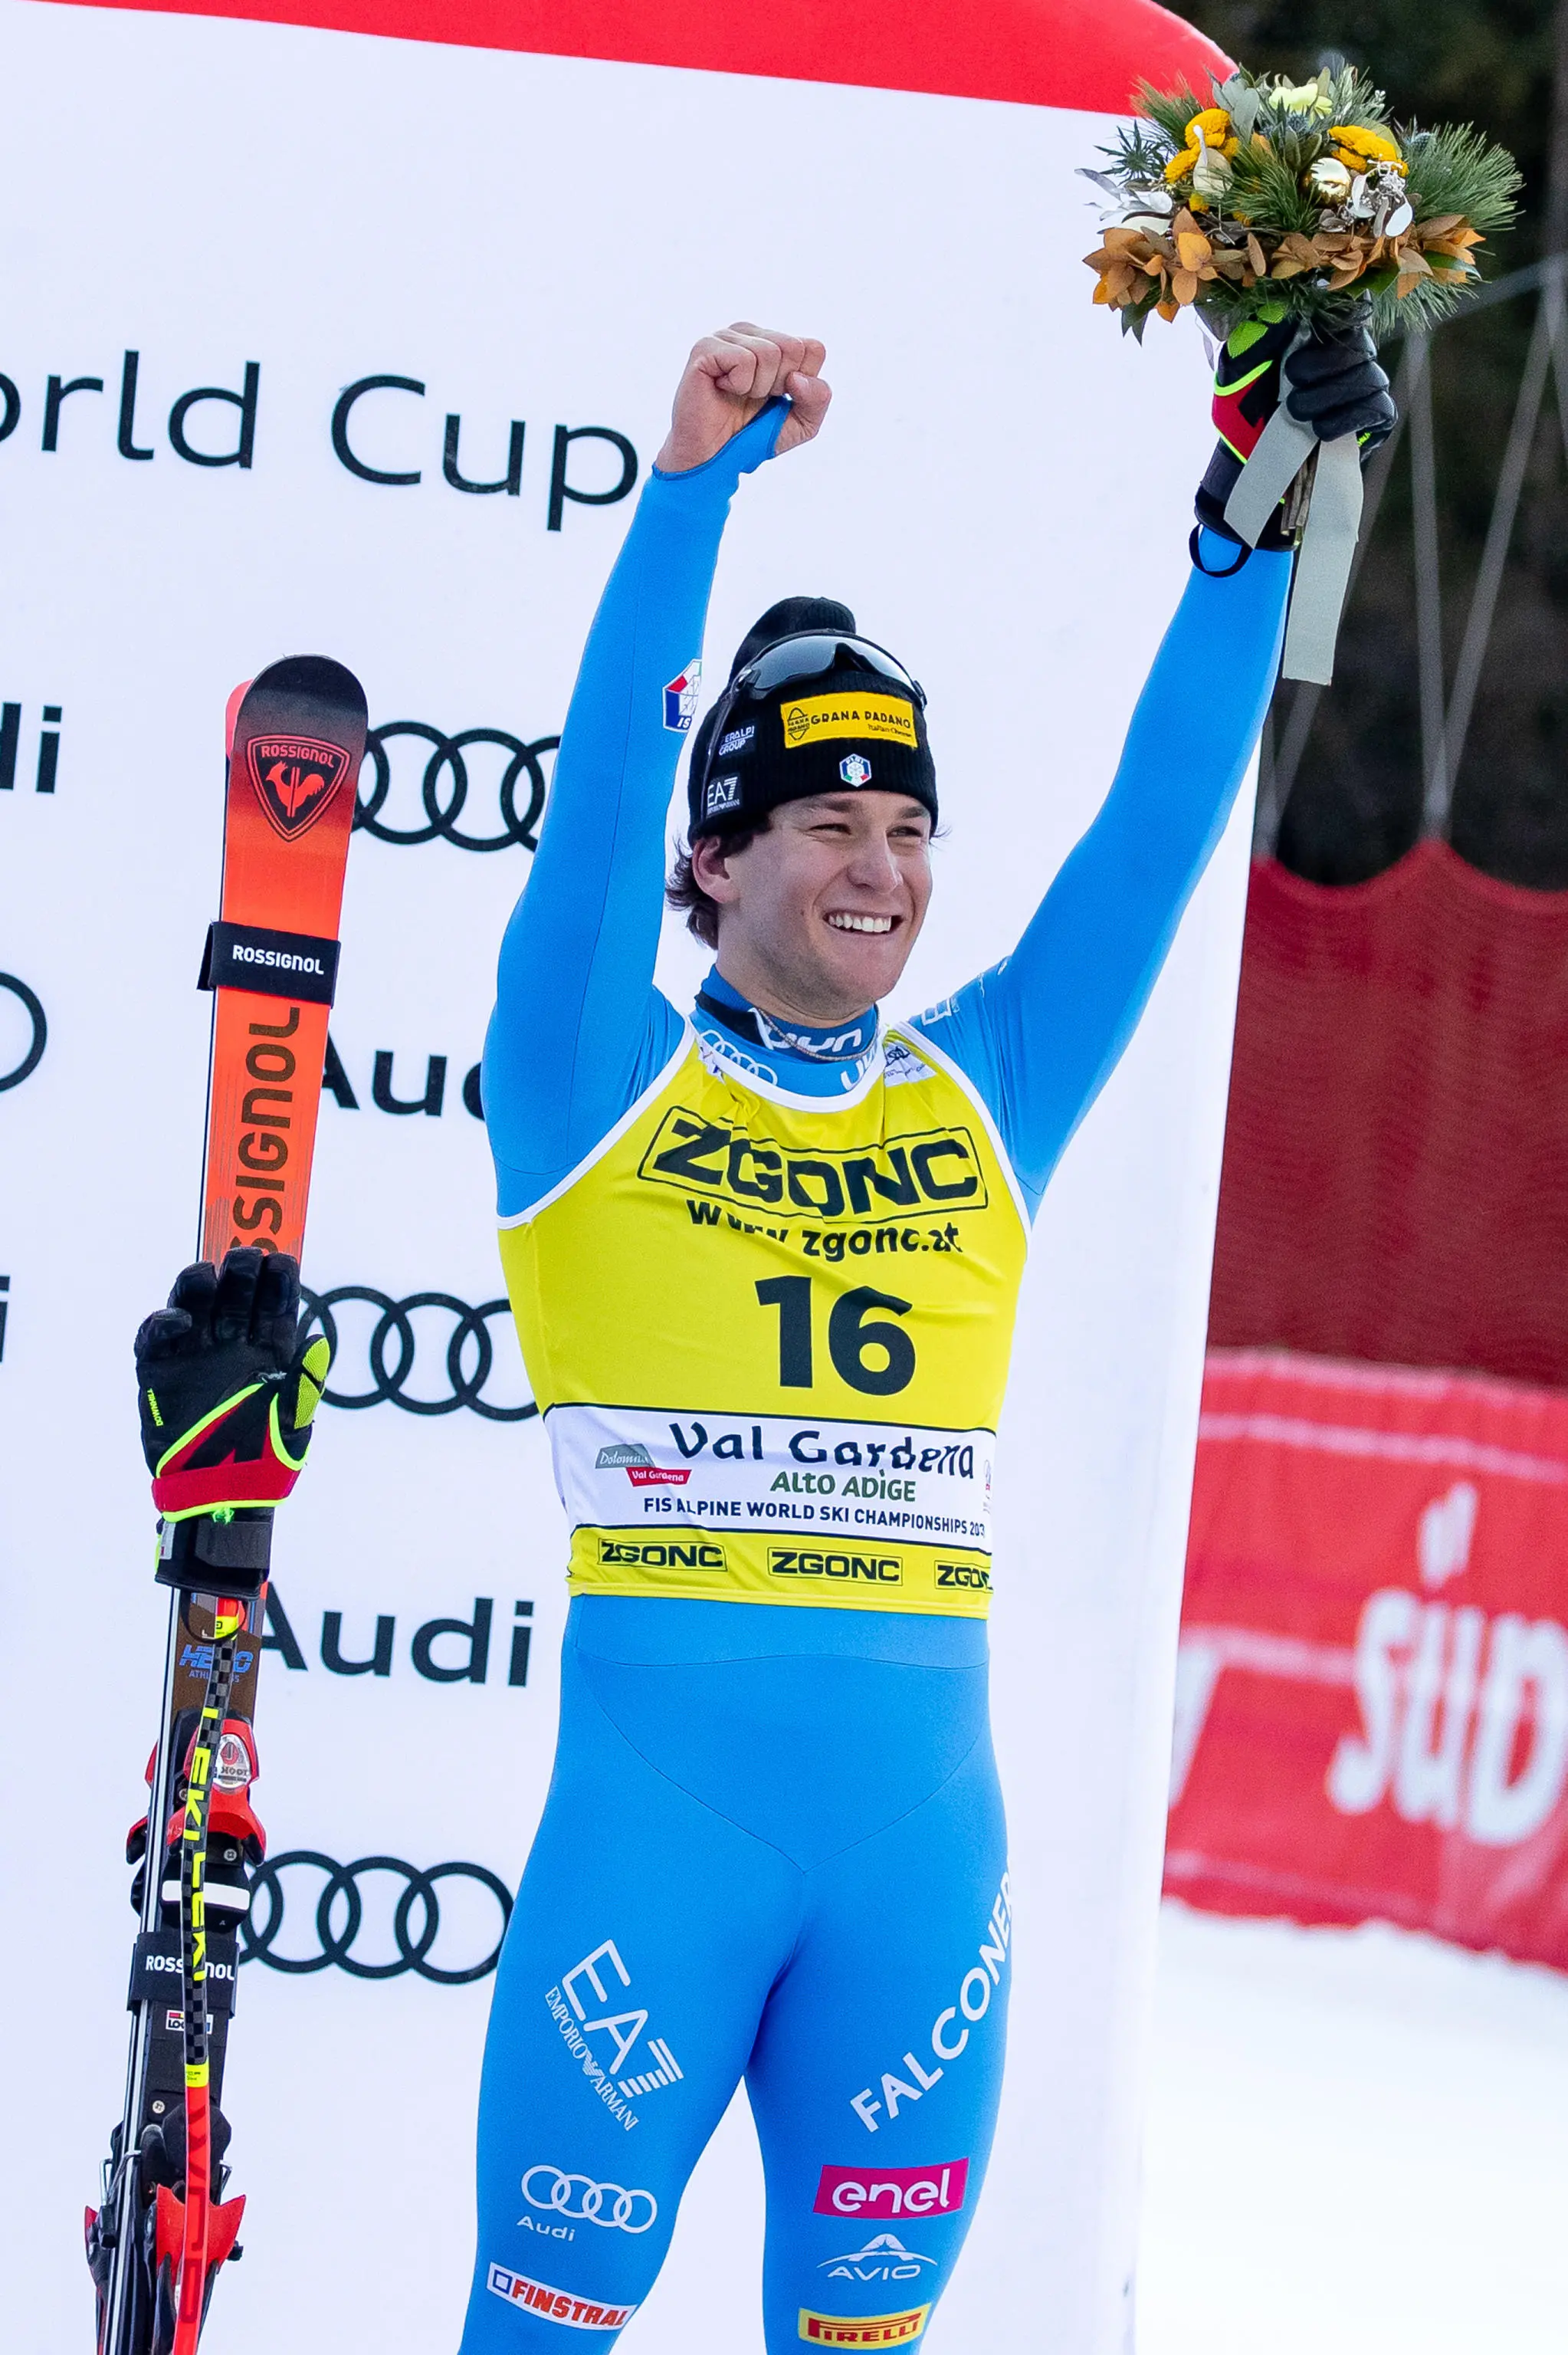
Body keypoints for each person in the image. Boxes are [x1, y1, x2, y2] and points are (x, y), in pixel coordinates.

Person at [127, 314, 1391, 2349]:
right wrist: (693, 488)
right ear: (714, 860)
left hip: (917, 1878)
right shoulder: (590, 1082)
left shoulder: (988, 1089)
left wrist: (1247, 536)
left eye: (905, 827)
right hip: (655, 1856)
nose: (879, 867)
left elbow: (1156, 835)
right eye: (825, 824)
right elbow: (595, 795)